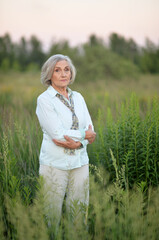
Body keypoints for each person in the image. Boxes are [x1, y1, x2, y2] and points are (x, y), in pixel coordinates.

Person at [36, 54, 96, 229]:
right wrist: (84, 136)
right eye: (57, 70)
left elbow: (90, 131)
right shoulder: (44, 100)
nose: (63, 74)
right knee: (51, 217)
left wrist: (80, 141)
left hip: (80, 163)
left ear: (71, 74)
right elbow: (58, 135)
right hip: (54, 166)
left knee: (78, 216)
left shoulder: (79, 97)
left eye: (66, 70)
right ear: (49, 75)